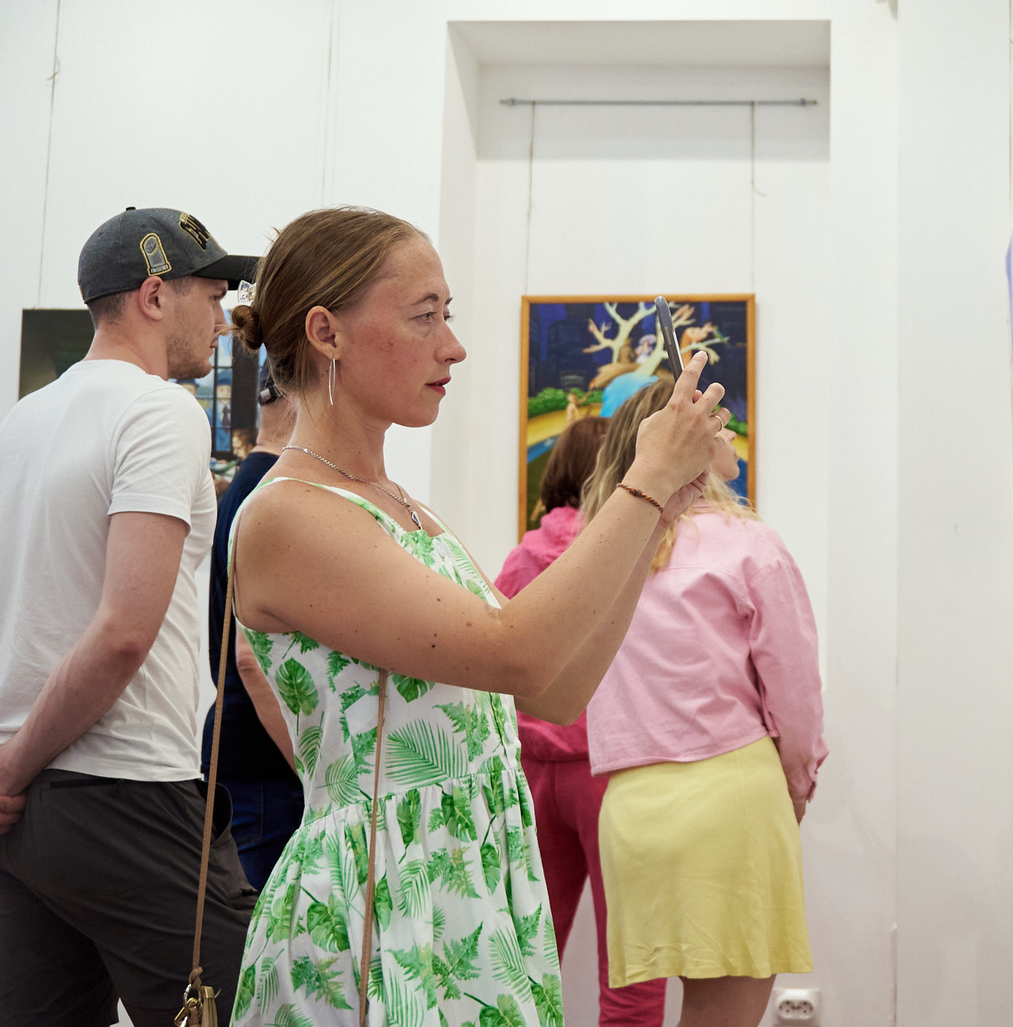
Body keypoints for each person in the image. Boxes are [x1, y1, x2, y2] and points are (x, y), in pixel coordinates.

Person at [220, 206, 729, 1026]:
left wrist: (659, 507)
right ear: (326, 332)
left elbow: (555, 690)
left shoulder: (400, 508)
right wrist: (643, 481)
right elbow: (517, 653)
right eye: (425, 316)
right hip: (380, 903)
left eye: (446, 315)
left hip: (462, 890)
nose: (452, 346)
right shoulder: (291, 514)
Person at [0, 207, 262, 1025]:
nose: (223, 320)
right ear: (155, 296)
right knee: (250, 1010)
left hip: (21, 825)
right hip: (125, 795)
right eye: (213, 296)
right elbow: (123, 633)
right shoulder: (160, 413)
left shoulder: (20, 423)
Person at [583, 380, 827, 1027]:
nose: (730, 433)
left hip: (631, 810)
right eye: (716, 424)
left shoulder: (600, 553)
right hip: (728, 794)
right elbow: (796, 697)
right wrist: (797, 784)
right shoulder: (748, 544)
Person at [495, 417, 668, 1027]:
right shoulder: (637, 554)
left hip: (535, 770)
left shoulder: (525, 554)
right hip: (614, 771)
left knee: (523, 955)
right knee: (633, 967)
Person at [202, 366, 304, 890]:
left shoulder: (248, 482)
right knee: (260, 934)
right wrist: (315, 770)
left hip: (243, 753)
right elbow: (252, 658)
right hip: (265, 767)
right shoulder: (274, 491)